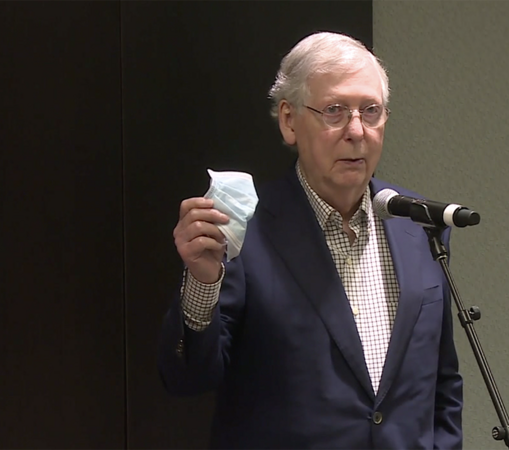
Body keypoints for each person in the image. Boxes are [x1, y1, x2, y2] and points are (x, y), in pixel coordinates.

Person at [157, 31, 464, 450]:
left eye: (371, 111)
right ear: (289, 121)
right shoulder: (243, 229)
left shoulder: (419, 227)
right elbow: (187, 378)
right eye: (335, 111)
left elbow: (442, 385)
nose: (356, 131)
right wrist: (202, 283)